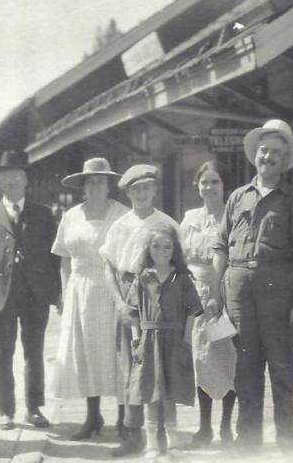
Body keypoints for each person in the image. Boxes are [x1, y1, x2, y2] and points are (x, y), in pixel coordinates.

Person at [210, 118, 293, 452]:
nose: (268, 157)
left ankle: (287, 441)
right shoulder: (237, 197)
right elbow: (221, 247)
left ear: (285, 162)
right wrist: (214, 293)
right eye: (264, 150)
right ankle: (248, 442)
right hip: (238, 290)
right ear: (255, 154)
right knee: (245, 367)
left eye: (276, 153)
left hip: (279, 290)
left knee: (281, 366)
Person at [99, 164, 182, 457]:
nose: (142, 193)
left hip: (160, 300)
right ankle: (134, 435)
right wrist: (120, 304)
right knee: (133, 368)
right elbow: (109, 268)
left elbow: (179, 269)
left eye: (147, 187)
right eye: (136, 189)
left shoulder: (168, 224)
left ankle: (163, 436)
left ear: (154, 189)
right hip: (129, 298)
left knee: (162, 366)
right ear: (128, 192)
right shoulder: (120, 225)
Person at [0, 150, 60, 430]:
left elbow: (54, 258)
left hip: (35, 295)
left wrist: (56, 293)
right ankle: (5, 411)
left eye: (16, 176)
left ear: (26, 180)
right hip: (0, 297)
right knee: (3, 352)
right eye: (5, 176)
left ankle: (33, 409)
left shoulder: (44, 215)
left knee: (34, 352)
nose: (11, 180)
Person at [51, 158, 129, 440]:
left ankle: (124, 419)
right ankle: (92, 416)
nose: (96, 186)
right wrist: (63, 291)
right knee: (85, 353)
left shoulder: (122, 214)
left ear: (109, 185)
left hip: (111, 290)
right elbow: (63, 258)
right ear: (83, 186)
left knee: (116, 351)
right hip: (79, 289)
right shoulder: (71, 216)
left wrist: (124, 297)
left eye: (101, 181)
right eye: (90, 181)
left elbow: (131, 257)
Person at [124, 225, 203, 457]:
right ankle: (151, 445)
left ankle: (173, 444)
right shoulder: (142, 278)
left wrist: (186, 339)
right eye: (156, 246)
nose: (161, 251)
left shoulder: (182, 278)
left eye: (167, 246)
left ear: (175, 249)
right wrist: (136, 341)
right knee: (150, 394)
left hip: (174, 341)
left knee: (169, 395)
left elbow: (192, 310)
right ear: (148, 249)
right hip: (149, 342)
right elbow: (134, 313)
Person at [180, 161, 236, 448]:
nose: (209, 187)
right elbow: (179, 256)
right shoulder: (189, 218)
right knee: (201, 359)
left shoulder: (232, 215)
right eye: (204, 182)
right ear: (197, 186)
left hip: (224, 294)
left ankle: (226, 427)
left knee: (225, 357)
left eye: (215, 182)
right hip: (194, 296)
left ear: (223, 185)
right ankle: (204, 428)